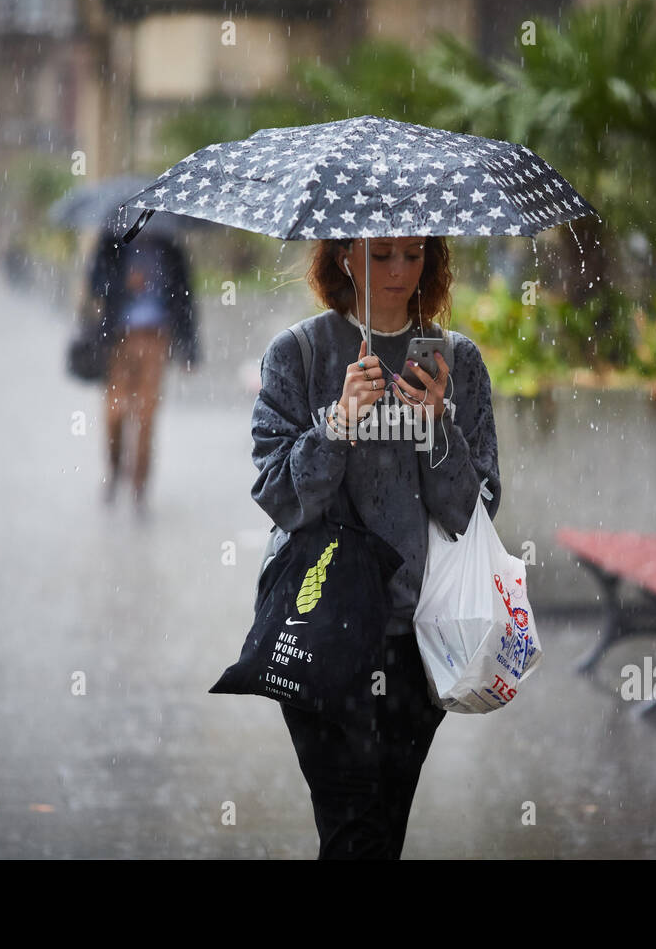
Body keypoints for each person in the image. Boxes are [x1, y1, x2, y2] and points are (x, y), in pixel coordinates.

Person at [251, 236, 501, 858]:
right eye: (381, 254)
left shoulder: (457, 362)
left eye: (413, 255)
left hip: (415, 637)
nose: (398, 271)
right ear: (344, 255)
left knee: (382, 831)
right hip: (319, 628)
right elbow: (279, 494)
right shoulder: (299, 354)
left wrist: (439, 427)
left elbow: (475, 508)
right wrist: (336, 424)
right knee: (351, 830)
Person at [87, 224, 199, 513]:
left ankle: (139, 484)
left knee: (147, 413)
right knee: (115, 410)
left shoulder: (170, 246)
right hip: (118, 337)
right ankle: (113, 471)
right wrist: (123, 281)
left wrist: (190, 348)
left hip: (157, 337)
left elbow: (186, 296)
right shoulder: (111, 240)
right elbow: (94, 284)